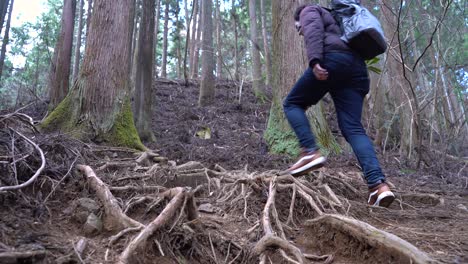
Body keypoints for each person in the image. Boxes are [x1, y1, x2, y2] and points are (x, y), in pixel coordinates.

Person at [283, 3, 395, 207]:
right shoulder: (338, 19)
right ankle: (378, 186)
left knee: (292, 104)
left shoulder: (310, 10)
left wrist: (315, 61)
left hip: (332, 61)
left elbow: (313, 31)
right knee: (353, 129)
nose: (299, 32)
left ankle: (310, 152)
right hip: (357, 70)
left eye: (297, 27)